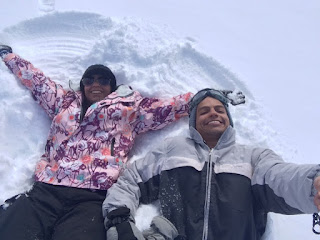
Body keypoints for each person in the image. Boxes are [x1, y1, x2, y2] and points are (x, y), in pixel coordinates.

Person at [0, 44, 194, 240]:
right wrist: (8, 56)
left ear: (112, 86)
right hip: (46, 190)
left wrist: (202, 99)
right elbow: (38, 82)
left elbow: (168, 108)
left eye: (103, 80)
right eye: (89, 79)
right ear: (82, 85)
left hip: (92, 198)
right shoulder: (63, 102)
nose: (96, 84)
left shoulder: (130, 110)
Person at [102, 88, 320, 240]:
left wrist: (313, 184)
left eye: (220, 109)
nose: (213, 113)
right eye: (204, 111)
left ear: (228, 119)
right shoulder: (172, 150)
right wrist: (119, 218)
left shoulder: (253, 157)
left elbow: (280, 178)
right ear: (194, 122)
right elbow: (132, 179)